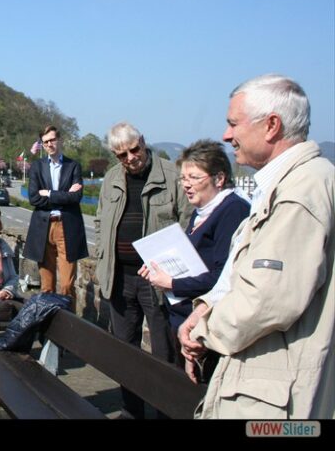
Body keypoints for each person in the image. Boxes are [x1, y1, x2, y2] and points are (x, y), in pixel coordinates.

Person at [178, 74, 334, 419]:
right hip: (265, 385)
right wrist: (205, 307)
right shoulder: (284, 185)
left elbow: (269, 298)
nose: (226, 135)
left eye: (233, 123)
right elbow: (245, 273)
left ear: (271, 126)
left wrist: (205, 332)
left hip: (277, 400)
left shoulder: (301, 190)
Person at [94, 122, 193, 419]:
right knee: (126, 352)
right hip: (120, 278)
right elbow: (100, 220)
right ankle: (131, 411)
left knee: (164, 353)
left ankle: (165, 412)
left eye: (134, 150)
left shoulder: (172, 176)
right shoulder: (112, 177)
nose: (130, 158)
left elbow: (189, 223)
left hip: (158, 280)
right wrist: (101, 256)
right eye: (121, 155)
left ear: (144, 142)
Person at [138, 140, 250, 333]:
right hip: (185, 315)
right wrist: (157, 265)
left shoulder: (233, 210)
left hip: (207, 322)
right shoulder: (201, 210)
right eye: (183, 178)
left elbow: (223, 276)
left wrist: (172, 283)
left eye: (194, 177)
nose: (186, 185)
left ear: (219, 178)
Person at [24, 125, 88, 312]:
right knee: (47, 286)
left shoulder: (73, 166)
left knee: (67, 285)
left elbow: (76, 197)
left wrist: (50, 193)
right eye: (45, 142)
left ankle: (68, 330)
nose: (49, 144)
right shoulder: (37, 167)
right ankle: (48, 329)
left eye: (52, 140)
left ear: (59, 140)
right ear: (42, 145)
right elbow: (34, 198)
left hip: (66, 227)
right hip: (43, 228)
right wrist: (63, 196)